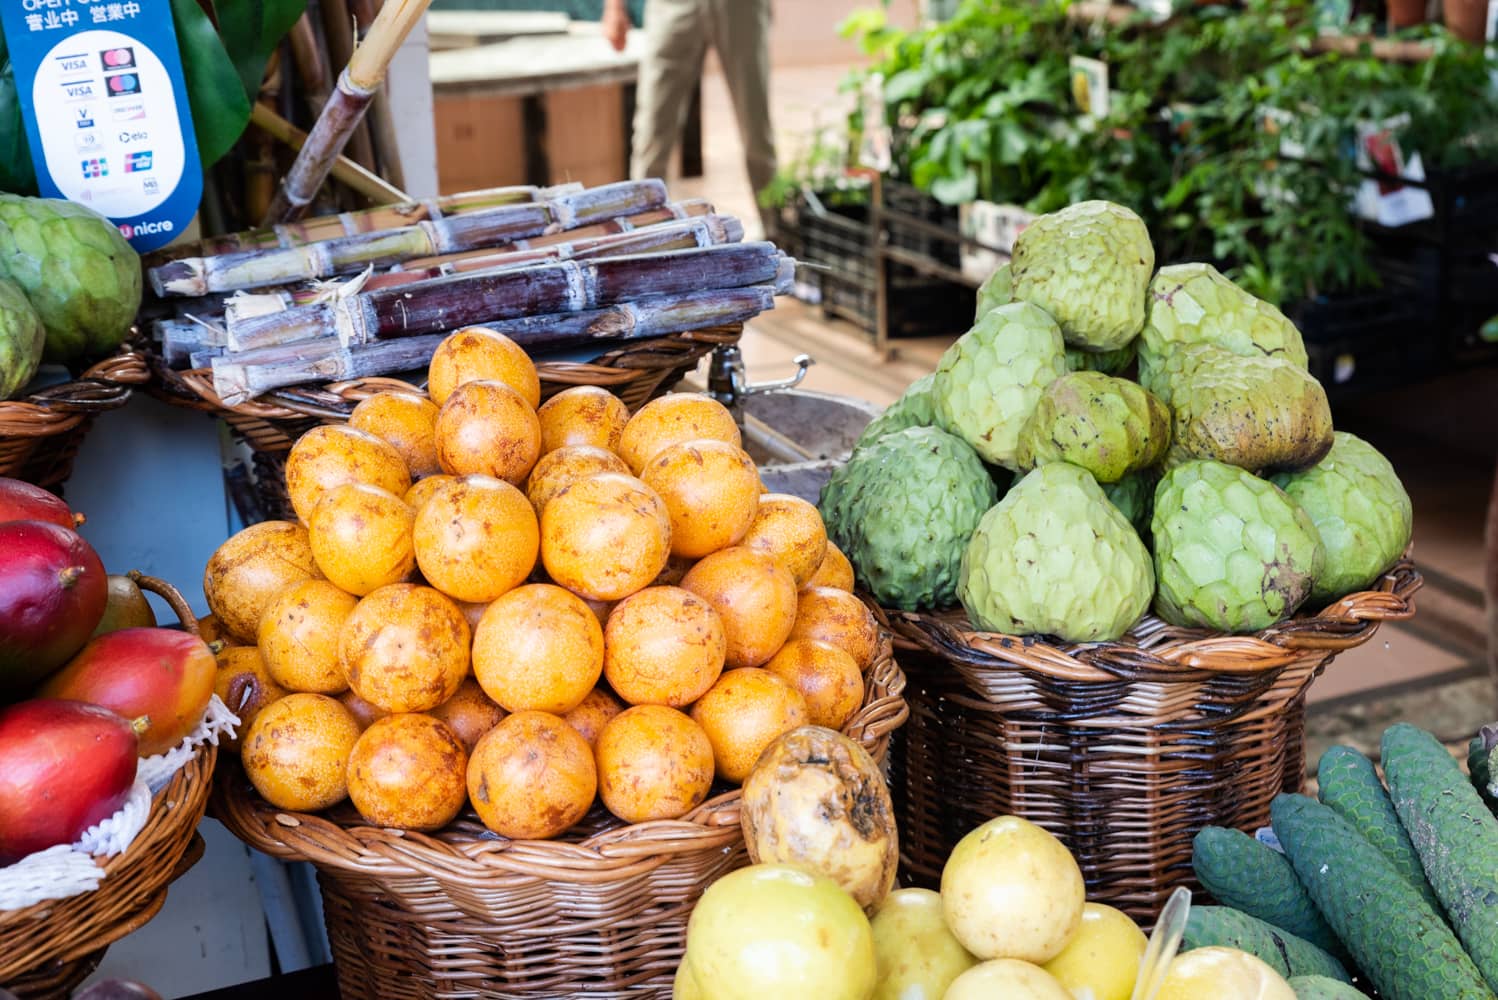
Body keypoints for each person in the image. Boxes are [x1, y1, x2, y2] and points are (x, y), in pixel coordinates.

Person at [602, 0, 777, 205]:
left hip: (740, 7)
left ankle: (777, 229)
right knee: (652, 132)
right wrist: (614, 8)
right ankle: (642, 228)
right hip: (672, 7)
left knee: (756, 129)